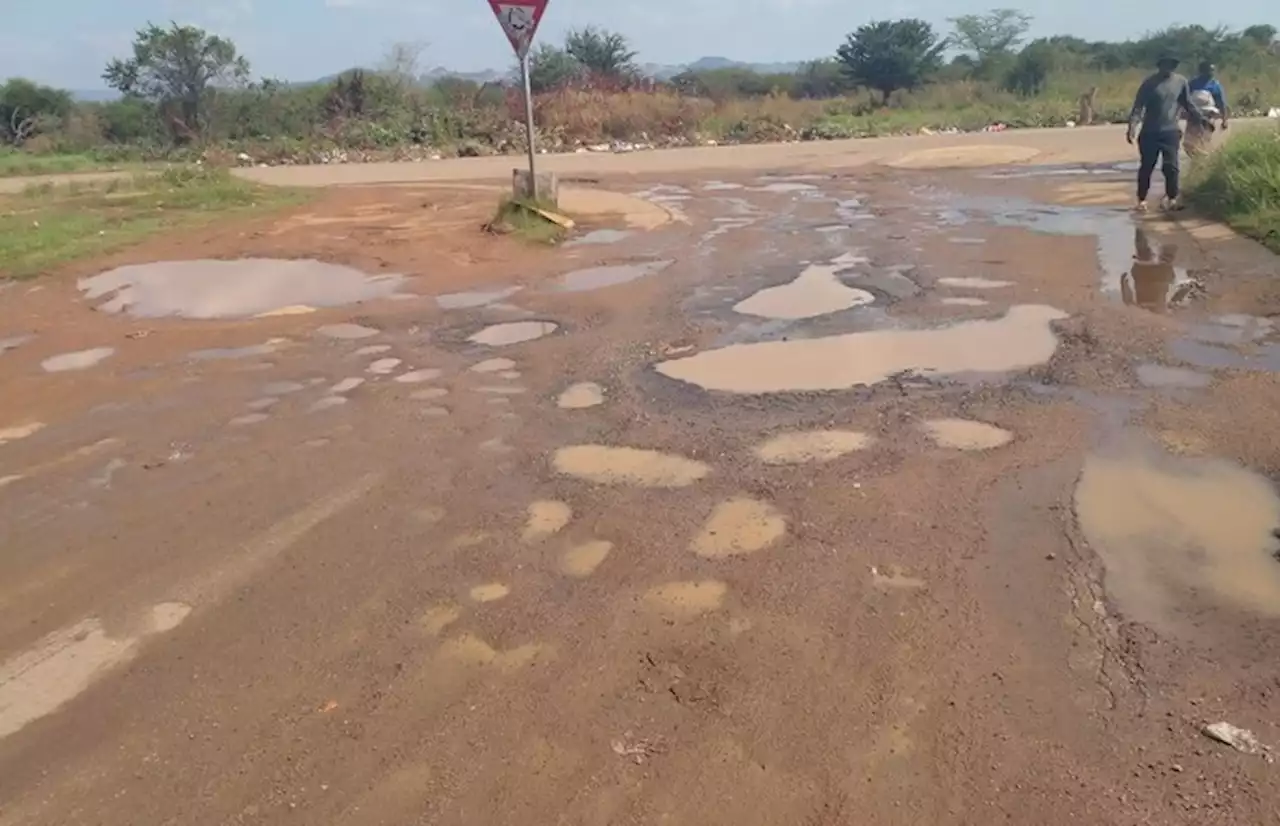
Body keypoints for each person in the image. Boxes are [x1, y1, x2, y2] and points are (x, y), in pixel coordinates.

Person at [1126, 56, 1208, 213]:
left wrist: (1201, 119)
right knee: (1147, 167)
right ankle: (1142, 200)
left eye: (1172, 65)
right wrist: (1132, 127)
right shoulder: (1149, 84)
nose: (1168, 68)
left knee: (1171, 167)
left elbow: (1188, 103)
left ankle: (1172, 199)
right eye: (1166, 65)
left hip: (1170, 131)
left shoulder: (1180, 82)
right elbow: (1138, 107)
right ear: (1160, 65)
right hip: (1150, 132)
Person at [1189, 61, 1229, 131]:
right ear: (1202, 71)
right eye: (1209, 71)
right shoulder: (1192, 84)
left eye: (1212, 71)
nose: (1211, 73)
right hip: (1194, 115)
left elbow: (1222, 103)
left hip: (1209, 115)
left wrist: (1224, 120)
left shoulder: (1216, 86)